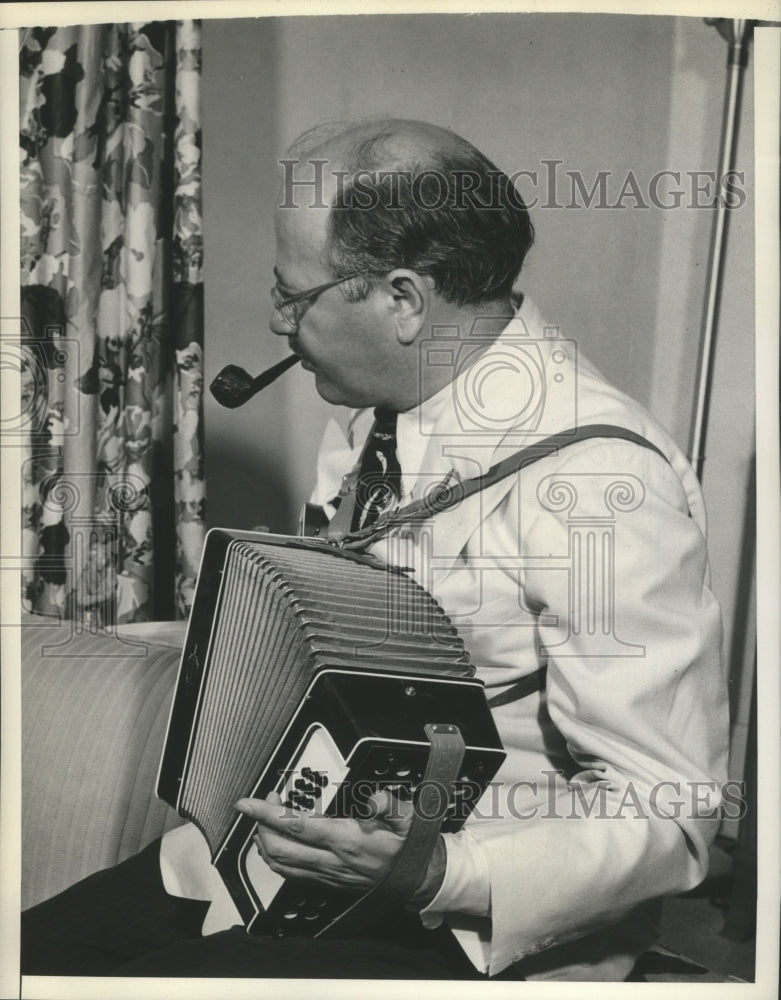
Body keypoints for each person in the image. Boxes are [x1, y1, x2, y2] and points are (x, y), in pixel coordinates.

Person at [21, 118, 728, 981]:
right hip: (269, 862)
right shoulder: (373, 406)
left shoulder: (595, 482)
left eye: (295, 295)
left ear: (401, 299)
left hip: (457, 923)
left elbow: (671, 811)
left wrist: (439, 870)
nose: (278, 320)